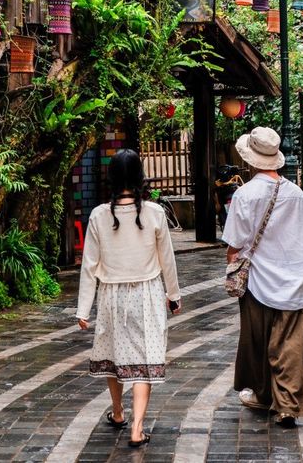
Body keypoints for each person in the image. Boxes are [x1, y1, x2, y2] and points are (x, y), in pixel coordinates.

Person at [76, 149, 181, 448]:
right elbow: (167, 261)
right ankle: (137, 429)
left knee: (115, 357)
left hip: (112, 297)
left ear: (111, 178)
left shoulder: (98, 215)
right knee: (144, 360)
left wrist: (83, 309)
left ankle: (119, 412)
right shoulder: (155, 212)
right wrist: (173, 295)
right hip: (147, 294)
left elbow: (89, 265)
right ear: (139, 176)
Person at [222, 127, 303, 428]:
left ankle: (264, 396)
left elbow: (234, 244)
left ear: (250, 160)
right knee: (290, 345)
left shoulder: (245, 194)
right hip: (293, 282)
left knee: (258, 342)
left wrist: (233, 260)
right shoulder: (297, 195)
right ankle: (287, 405)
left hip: (258, 283)